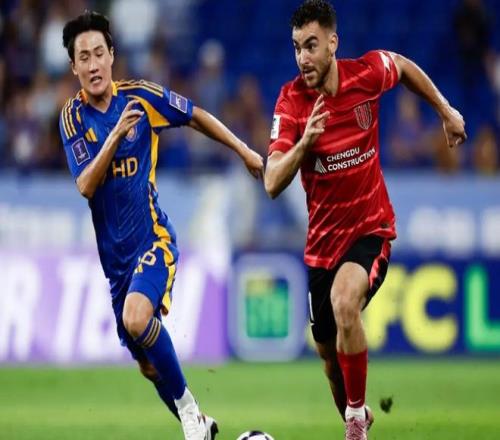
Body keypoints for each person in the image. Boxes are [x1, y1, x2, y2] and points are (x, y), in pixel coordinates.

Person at [263, 1, 466, 439]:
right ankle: (357, 414)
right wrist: (303, 145)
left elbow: (403, 66)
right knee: (328, 358)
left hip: (370, 230)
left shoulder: (367, 75)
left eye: (311, 46)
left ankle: (355, 423)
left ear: (333, 43)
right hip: (321, 247)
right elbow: (272, 181)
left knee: (344, 302)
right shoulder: (291, 102)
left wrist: (445, 110)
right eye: (296, 48)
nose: (303, 58)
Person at [59, 11, 263, 440]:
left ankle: (190, 415)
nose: (93, 64)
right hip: (115, 267)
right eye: (84, 57)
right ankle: (201, 426)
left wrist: (243, 150)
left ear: (112, 55)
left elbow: (195, 115)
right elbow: (86, 185)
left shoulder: (140, 98)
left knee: (137, 319)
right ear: (73, 67)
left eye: (99, 53)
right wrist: (115, 137)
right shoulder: (73, 118)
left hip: (154, 240)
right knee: (149, 366)